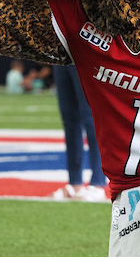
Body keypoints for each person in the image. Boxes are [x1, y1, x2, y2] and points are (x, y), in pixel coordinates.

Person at [50, 65, 107, 202]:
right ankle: (75, 183)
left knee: (91, 119)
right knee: (70, 120)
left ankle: (98, 183)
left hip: (84, 52)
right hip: (60, 54)